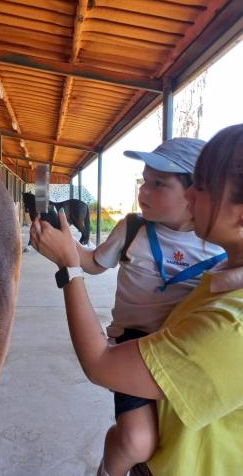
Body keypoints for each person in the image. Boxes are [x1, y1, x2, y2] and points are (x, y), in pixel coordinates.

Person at [30, 124, 243, 476]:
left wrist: (69, 266)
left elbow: (99, 363)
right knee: (136, 439)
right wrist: (70, 252)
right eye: (145, 180)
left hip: (170, 371)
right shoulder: (220, 268)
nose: (190, 196)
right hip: (138, 341)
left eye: (201, 187)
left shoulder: (230, 320)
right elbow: (96, 261)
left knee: (138, 440)